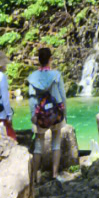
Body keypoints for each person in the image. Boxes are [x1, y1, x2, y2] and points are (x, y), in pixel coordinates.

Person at [28, 45, 67, 179]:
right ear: (50, 59)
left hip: (40, 115)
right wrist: (64, 113)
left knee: (38, 146)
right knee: (56, 143)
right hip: (55, 114)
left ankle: (34, 177)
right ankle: (55, 174)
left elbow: (32, 99)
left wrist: (33, 115)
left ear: (39, 60)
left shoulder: (33, 77)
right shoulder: (56, 75)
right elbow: (62, 95)